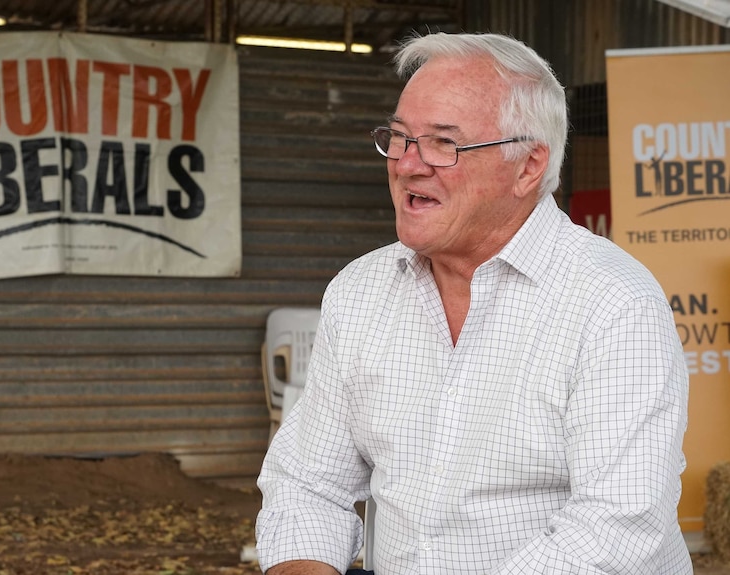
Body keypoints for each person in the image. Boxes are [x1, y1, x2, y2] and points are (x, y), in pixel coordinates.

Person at [255, 31, 691, 575]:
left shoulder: (611, 302)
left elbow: (617, 529)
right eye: (399, 137)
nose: (408, 165)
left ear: (528, 167)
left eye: (443, 143)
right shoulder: (360, 291)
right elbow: (307, 483)